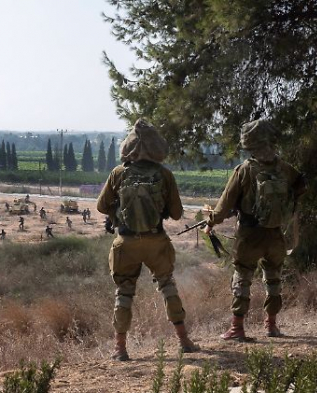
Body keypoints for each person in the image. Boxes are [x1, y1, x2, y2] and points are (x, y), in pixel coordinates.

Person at [96, 119, 198, 360]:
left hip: (126, 243)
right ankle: (184, 341)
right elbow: (176, 213)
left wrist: (116, 214)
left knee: (124, 293)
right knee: (167, 286)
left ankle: (120, 349)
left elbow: (102, 205)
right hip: (156, 242)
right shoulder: (164, 174)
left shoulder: (118, 173)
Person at [204, 119, 306, 340]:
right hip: (276, 234)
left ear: (249, 143)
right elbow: (301, 185)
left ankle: (237, 328)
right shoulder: (284, 168)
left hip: (250, 236)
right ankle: (271, 326)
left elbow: (223, 206)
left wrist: (210, 222)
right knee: (274, 279)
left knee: (242, 277)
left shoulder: (244, 169)